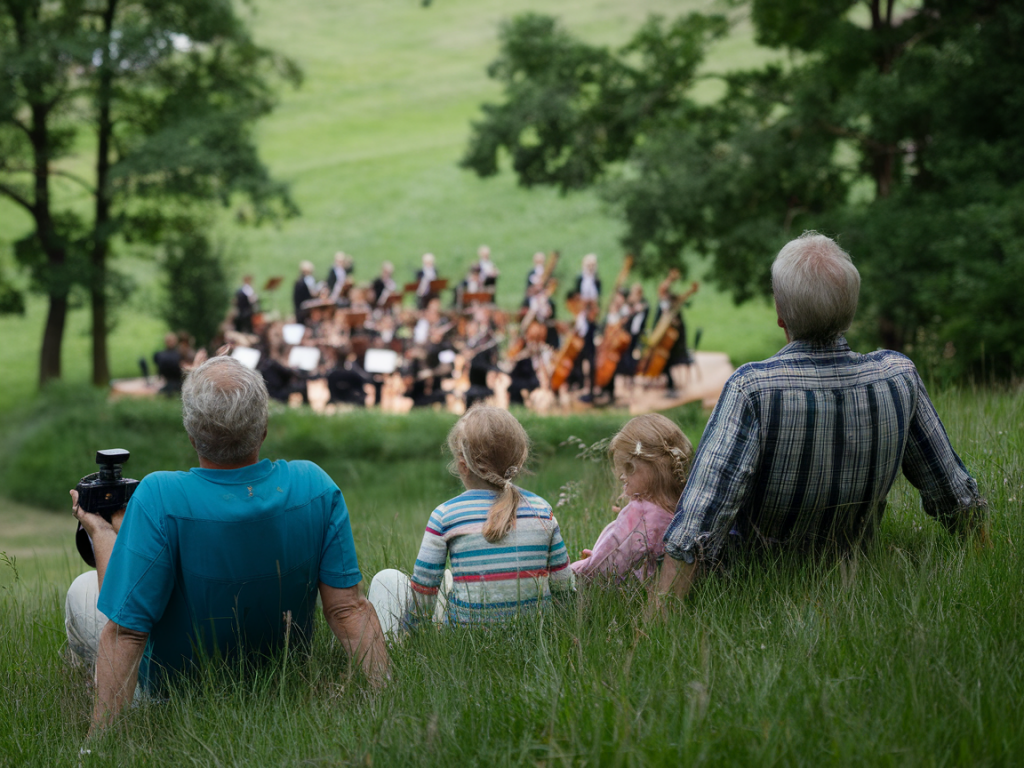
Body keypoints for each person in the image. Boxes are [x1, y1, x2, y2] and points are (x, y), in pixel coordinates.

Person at [654, 232, 989, 605]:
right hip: (861, 577)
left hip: (758, 590)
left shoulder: (753, 390)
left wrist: (656, 624)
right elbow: (954, 495)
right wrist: (986, 568)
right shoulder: (898, 376)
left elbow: (699, 522)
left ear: (781, 315)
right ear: (851, 306)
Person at [65, 356, 388, 735]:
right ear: (263, 428)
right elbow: (349, 608)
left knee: (81, 590)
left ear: (191, 434)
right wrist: (388, 699)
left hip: (171, 698)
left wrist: (101, 535)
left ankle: (95, 686)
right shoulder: (314, 484)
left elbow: (127, 631)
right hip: (284, 683)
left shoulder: (159, 495)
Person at [367, 406, 573, 633]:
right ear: (518, 460)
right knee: (450, 580)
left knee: (387, 579)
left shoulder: (445, 515)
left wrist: (413, 635)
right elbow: (563, 586)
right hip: (535, 638)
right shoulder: (542, 510)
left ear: (462, 466)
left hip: (466, 639)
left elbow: (424, 592)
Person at [571, 414, 693, 583]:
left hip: (632, 593)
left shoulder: (641, 513)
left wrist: (578, 569)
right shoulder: (685, 504)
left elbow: (612, 562)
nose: (622, 476)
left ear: (655, 468)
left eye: (629, 468)